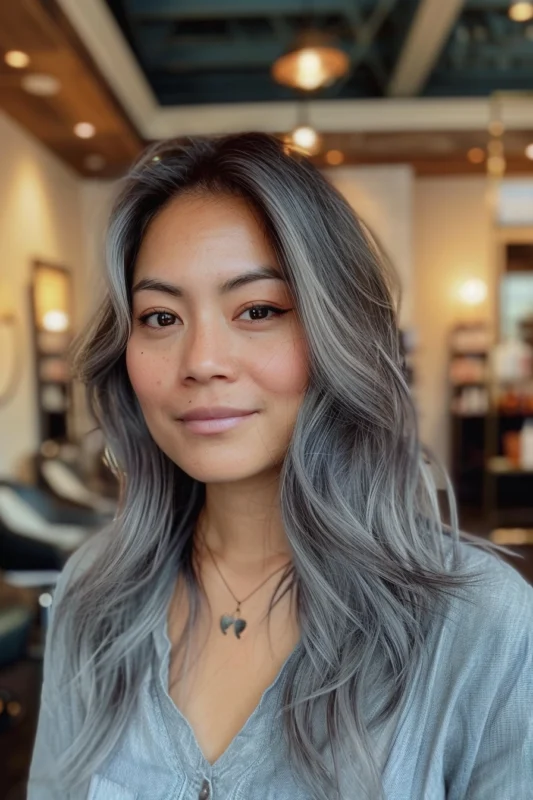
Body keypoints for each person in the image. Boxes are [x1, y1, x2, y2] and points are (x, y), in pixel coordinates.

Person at [28, 132, 533, 800]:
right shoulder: (93, 594)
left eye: (258, 310)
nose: (202, 359)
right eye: (159, 317)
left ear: (336, 334)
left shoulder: (481, 623)